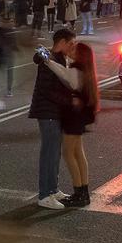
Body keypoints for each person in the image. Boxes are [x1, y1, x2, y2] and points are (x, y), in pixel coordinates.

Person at [41, 41, 99, 207]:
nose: (71, 50)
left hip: (73, 118)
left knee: (68, 154)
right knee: (79, 154)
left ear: (80, 55)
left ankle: (78, 192)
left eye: (74, 49)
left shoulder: (75, 70)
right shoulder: (86, 71)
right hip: (80, 117)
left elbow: (63, 74)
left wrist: (47, 60)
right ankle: (84, 193)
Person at [29, 28, 78, 210]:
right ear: (63, 42)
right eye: (71, 43)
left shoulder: (56, 58)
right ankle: (44, 194)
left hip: (54, 112)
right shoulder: (48, 60)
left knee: (54, 152)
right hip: (47, 112)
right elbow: (46, 90)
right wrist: (68, 101)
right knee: (49, 153)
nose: (73, 47)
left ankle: (53, 189)